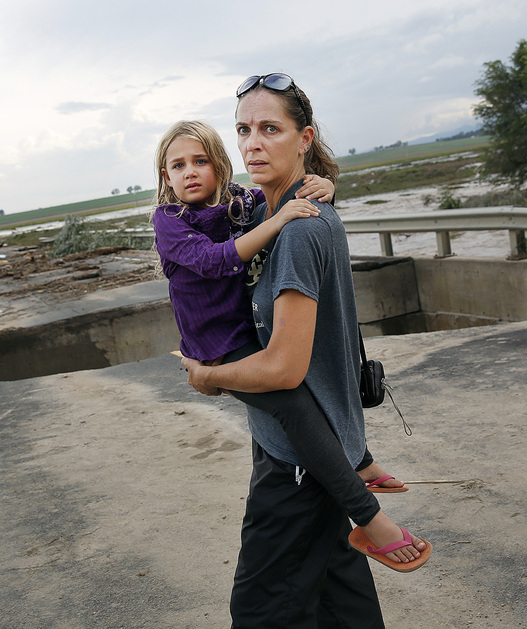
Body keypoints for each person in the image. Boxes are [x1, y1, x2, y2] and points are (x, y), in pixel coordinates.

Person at [181, 74, 431, 627]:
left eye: (271, 128)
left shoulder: (298, 231)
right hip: (308, 450)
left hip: (299, 464)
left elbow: (283, 368)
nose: (253, 143)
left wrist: (209, 379)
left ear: (305, 139)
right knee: (343, 607)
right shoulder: (272, 216)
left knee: (261, 612)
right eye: (244, 129)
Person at [151, 120, 406, 539]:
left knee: (306, 388)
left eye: (200, 161)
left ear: (220, 165)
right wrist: (282, 218)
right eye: (177, 165)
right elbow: (217, 260)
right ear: (166, 176)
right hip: (216, 344)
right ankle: (369, 516)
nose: (190, 172)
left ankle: (360, 461)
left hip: (246, 328)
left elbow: (280, 198)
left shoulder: (238, 202)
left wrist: (322, 186)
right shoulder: (170, 220)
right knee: (292, 405)